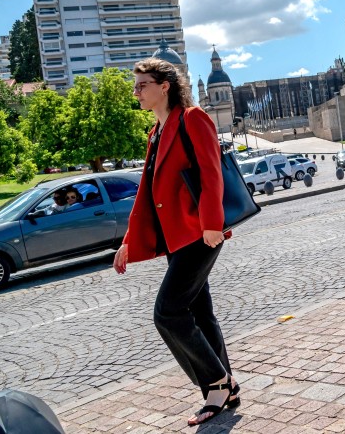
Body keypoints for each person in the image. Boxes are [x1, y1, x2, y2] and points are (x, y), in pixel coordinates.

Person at [113, 57, 237, 427]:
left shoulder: (191, 117)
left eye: (141, 85)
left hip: (199, 233)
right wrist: (129, 241)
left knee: (167, 312)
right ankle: (226, 388)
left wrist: (212, 223)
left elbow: (211, 171)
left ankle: (216, 383)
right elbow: (148, 196)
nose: (136, 92)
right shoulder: (158, 130)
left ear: (164, 85)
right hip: (175, 239)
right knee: (200, 314)